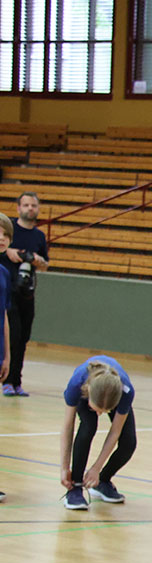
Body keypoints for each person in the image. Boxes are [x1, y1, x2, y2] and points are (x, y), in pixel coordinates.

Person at [60, 356, 137, 510]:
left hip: (113, 394)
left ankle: (103, 481)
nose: (100, 414)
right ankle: (75, 488)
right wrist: (64, 467)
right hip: (86, 391)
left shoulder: (126, 392)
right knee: (88, 427)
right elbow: (68, 427)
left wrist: (96, 468)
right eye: (96, 409)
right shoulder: (77, 385)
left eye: (105, 411)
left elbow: (115, 432)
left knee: (129, 443)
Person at [2, 191, 49, 397]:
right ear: (18, 208)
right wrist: (10, 252)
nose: (30, 208)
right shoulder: (9, 229)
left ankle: (16, 381)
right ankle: (7, 380)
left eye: (34, 205)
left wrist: (38, 260)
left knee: (23, 337)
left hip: (26, 292)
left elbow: (46, 264)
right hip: (7, 291)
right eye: (26, 205)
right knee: (13, 334)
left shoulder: (39, 236)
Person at [0, 214, 10, 502]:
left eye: (6, 235)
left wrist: (8, 355)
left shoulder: (4, 273)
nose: (2, 238)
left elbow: (5, 316)